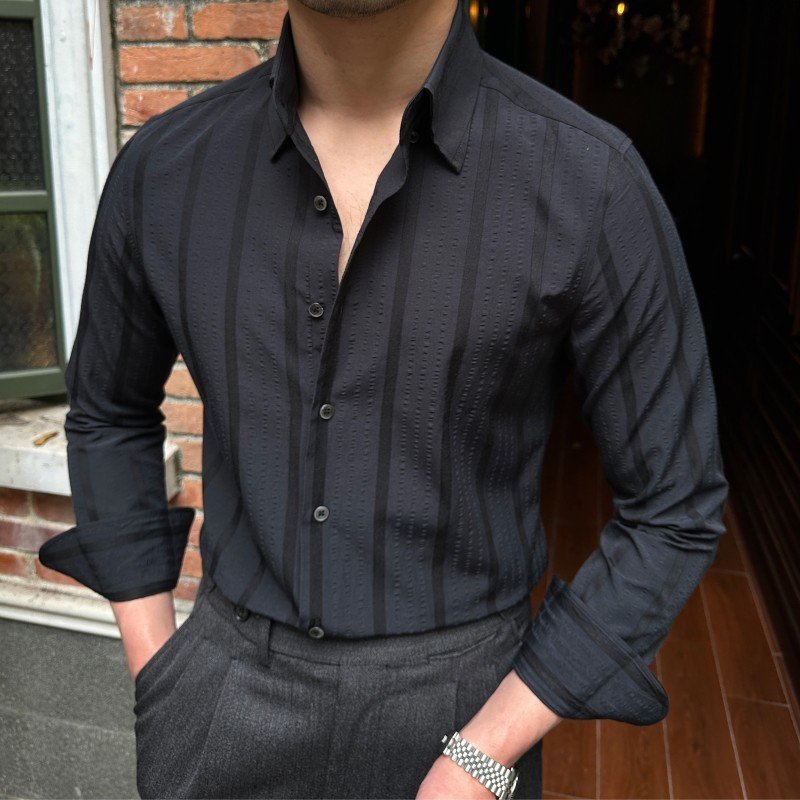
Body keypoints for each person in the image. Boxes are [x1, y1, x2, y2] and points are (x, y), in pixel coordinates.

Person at [38, 0, 729, 797]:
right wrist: (162, 676)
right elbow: (108, 412)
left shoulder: (591, 181)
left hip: (464, 716)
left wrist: (483, 755)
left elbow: (673, 507)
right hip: (222, 693)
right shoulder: (165, 169)